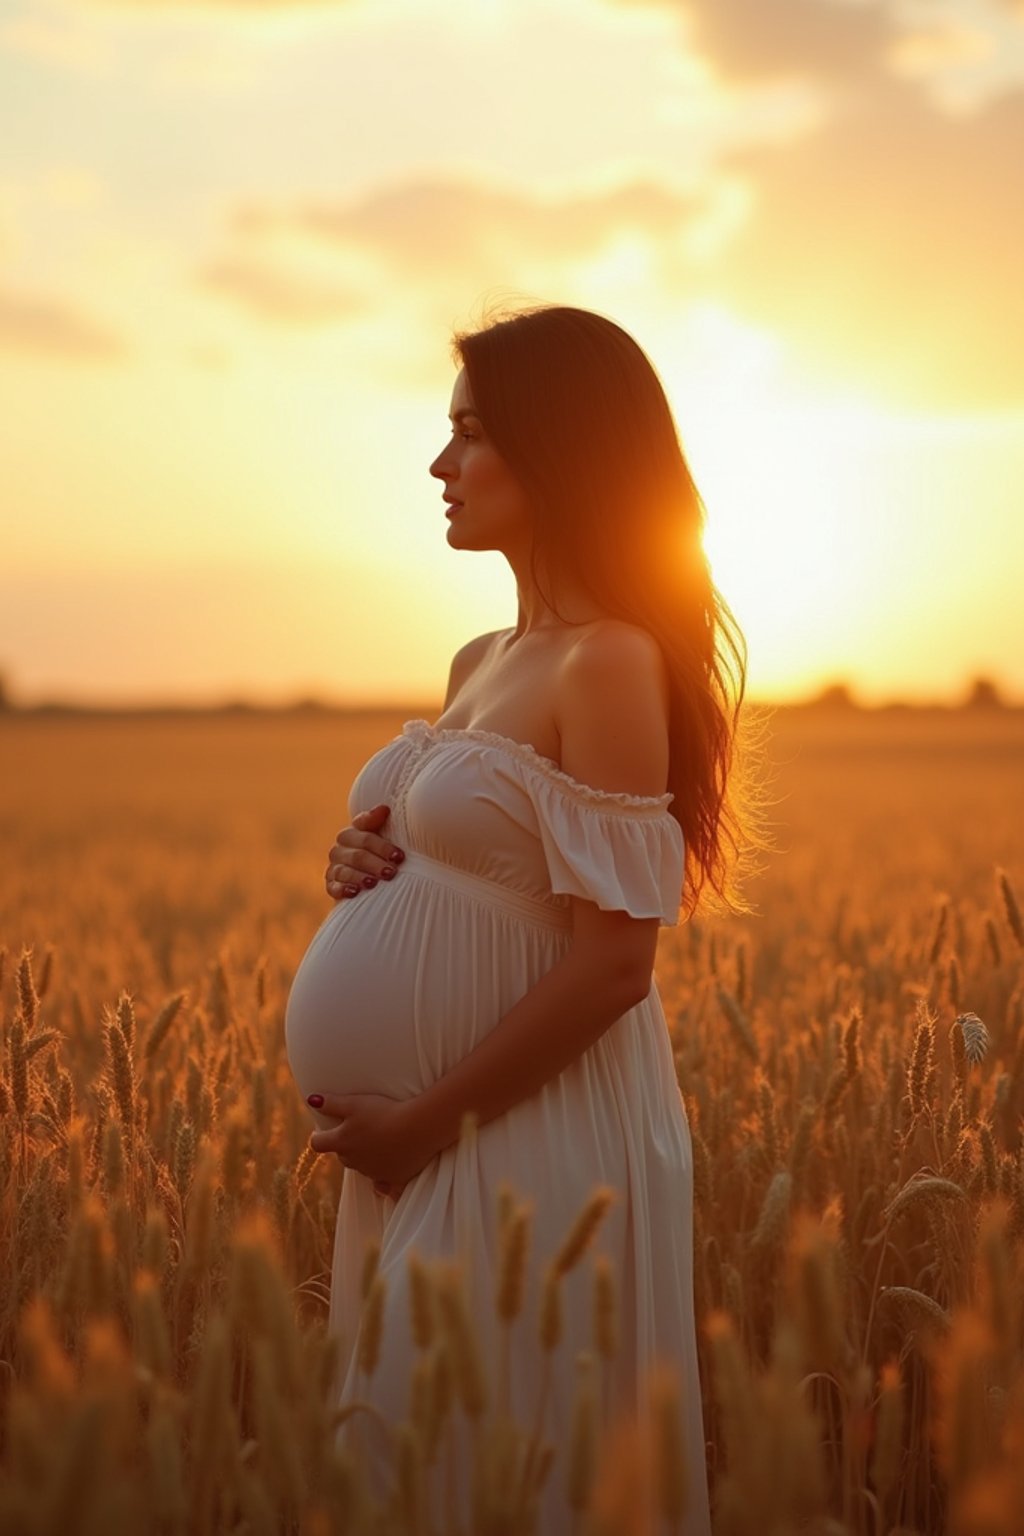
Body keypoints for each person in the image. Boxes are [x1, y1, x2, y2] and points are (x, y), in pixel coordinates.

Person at [284, 302, 756, 1535]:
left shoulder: (608, 662)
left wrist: (427, 1127)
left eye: (472, 436)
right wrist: (363, 858)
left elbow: (614, 963)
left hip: (518, 1136)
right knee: (408, 1467)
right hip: (425, 1138)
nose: (440, 467)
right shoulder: (479, 655)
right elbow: (473, 867)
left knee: (504, 1466)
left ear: (560, 451)